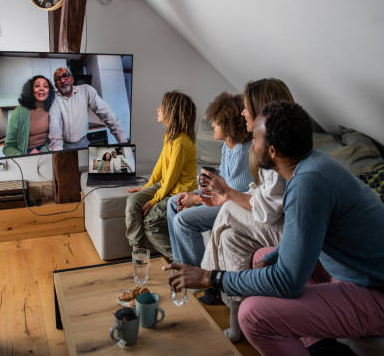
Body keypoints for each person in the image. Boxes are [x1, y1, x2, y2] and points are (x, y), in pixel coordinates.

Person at [165, 101, 384, 356]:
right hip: (361, 276)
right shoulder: (311, 166)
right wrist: (273, 257)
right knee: (262, 257)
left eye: (255, 138)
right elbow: (308, 236)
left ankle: (315, 342)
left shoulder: (308, 184)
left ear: (272, 151)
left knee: (253, 315)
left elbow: (287, 282)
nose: (251, 143)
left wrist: (210, 277)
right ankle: (320, 346)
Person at [196, 79, 294, 311]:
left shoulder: (277, 151)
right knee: (230, 237)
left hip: (285, 228)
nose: (242, 113)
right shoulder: (266, 146)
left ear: (262, 112)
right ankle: (238, 307)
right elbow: (261, 192)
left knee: (229, 210)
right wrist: (225, 194)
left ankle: (206, 278)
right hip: (275, 220)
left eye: (247, 107)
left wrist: (228, 195)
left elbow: (267, 211)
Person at [166, 92, 253, 281]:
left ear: (229, 125)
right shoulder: (227, 145)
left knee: (183, 221)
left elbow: (232, 195)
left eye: (216, 122)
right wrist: (201, 189)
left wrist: (197, 199)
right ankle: (181, 265)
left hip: (235, 204)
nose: (212, 125)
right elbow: (223, 178)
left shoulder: (243, 153)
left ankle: (199, 276)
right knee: (174, 202)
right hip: (223, 195)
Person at [125, 91, 198, 259]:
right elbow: (160, 165)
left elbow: (172, 177)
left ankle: (180, 261)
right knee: (133, 201)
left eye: (162, 106)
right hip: (166, 186)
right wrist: (147, 187)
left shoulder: (181, 142)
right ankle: (137, 251)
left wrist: (154, 200)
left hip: (177, 190)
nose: (158, 109)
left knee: (150, 221)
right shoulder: (170, 137)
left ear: (172, 112)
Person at [48, 67, 128, 150]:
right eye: (58, 79)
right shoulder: (54, 98)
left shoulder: (86, 90)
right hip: (64, 146)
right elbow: (54, 126)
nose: (62, 80)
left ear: (72, 79)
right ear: (55, 85)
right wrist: (57, 150)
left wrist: (123, 140)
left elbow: (106, 114)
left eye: (65, 76)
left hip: (84, 143)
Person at [3, 75, 55, 156]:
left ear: (49, 91)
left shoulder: (52, 110)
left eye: (45, 86)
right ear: (31, 90)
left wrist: (43, 151)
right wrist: (24, 156)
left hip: (47, 149)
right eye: (37, 86)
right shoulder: (19, 112)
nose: (42, 88)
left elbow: (55, 138)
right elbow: (8, 147)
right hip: (25, 153)